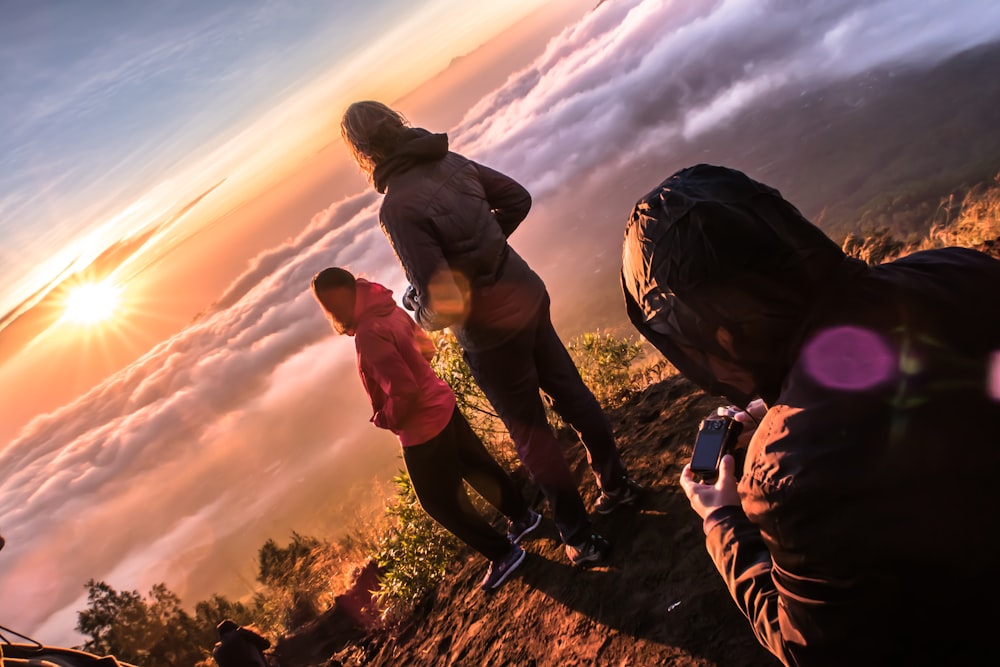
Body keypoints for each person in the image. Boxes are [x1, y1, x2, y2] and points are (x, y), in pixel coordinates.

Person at [621, 163, 1000, 666]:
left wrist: (721, 519)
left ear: (721, 336)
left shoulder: (787, 475)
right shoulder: (960, 268)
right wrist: (788, 398)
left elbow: (811, 648)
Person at [339, 100, 642, 566]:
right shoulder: (451, 161)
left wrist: (415, 308)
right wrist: (488, 250)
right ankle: (617, 486)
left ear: (362, 151)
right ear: (396, 123)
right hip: (525, 291)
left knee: (533, 436)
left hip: (490, 335)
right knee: (573, 395)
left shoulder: (397, 209)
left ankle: (581, 538)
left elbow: (442, 303)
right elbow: (517, 199)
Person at [311, 267, 542, 591]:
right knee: (477, 465)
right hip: (442, 402)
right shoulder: (387, 306)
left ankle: (503, 553)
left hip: (422, 428)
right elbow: (427, 349)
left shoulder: (368, 333)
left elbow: (404, 391)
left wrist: (386, 418)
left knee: (437, 501)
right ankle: (524, 518)